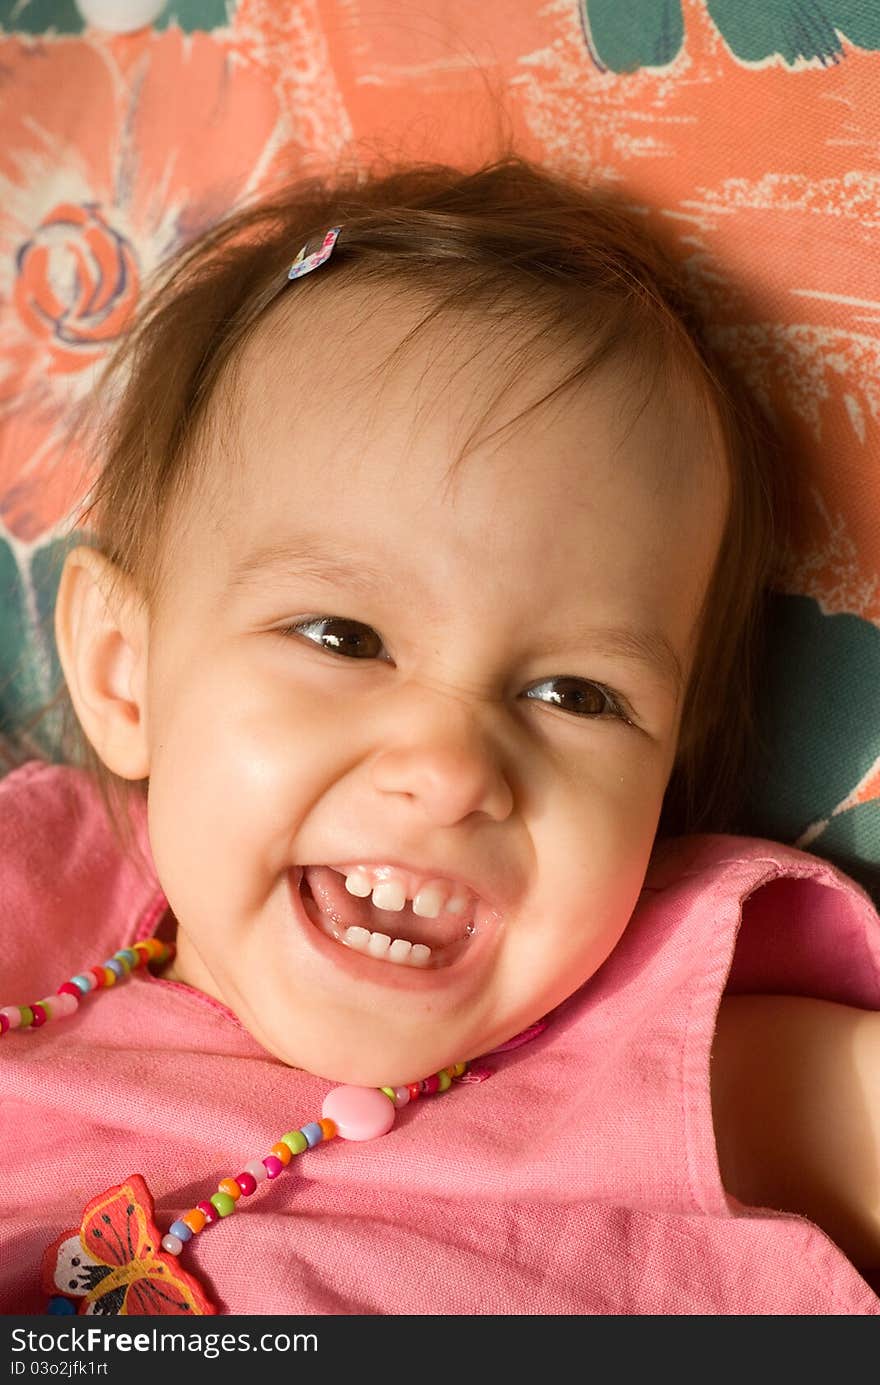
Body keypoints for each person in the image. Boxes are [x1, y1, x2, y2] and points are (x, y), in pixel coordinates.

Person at [1, 155, 878, 1317]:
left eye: (574, 695)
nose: (453, 769)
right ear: (127, 676)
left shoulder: (648, 1062)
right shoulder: (38, 895)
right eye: (343, 635)